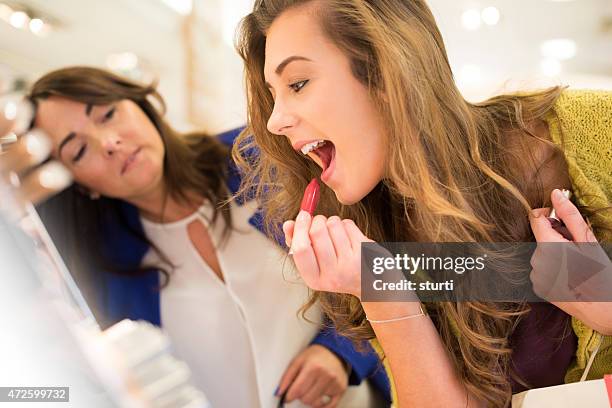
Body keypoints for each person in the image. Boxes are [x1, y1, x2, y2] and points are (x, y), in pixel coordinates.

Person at [232, 0, 612, 407]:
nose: (274, 122)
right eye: (273, 95)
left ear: (386, 70)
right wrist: (380, 289)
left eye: (298, 83)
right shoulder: (371, 231)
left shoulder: (592, 130)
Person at [24, 66, 390, 407]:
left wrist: (342, 350)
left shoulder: (261, 153)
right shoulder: (101, 272)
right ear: (78, 184)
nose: (108, 142)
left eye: (106, 114)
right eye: (79, 150)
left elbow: (416, 266)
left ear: (141, 105)